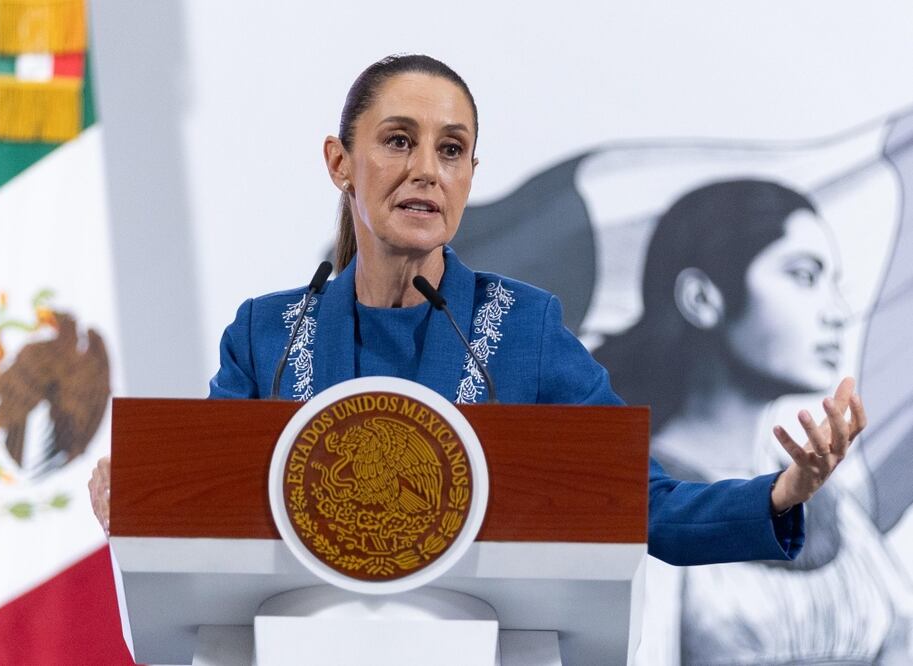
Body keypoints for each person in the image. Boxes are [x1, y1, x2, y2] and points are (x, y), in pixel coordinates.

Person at [89, 54, 866, 569]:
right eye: (398, 140)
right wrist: (140, 518)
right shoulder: (263, 335)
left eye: (451, 149)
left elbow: (643, 506)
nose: (426, 169)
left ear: (468, 176)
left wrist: (777, 494)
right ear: (339, 163)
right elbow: (208, 523)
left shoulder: (524, 330)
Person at [593, 180, 911, 663]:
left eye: (833, 284)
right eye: (804, 276)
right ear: (703, 297)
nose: (837, 313)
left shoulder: (832, 505)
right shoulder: (633, 496)